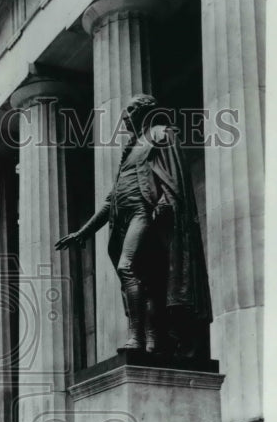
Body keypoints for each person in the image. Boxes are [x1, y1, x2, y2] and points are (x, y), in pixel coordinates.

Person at [55, 93, 212, 359]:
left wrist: (164, 203)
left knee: (126, 267)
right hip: (123, 219)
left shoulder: (162, 134)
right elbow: (111, 199)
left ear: (144, 111)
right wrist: (84, 232)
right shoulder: (131, 149)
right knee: (147, 281)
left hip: (145, 213)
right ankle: (151, 341)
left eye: (129, 110)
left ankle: (135, 336)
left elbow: (175, 178)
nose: (124, 116)